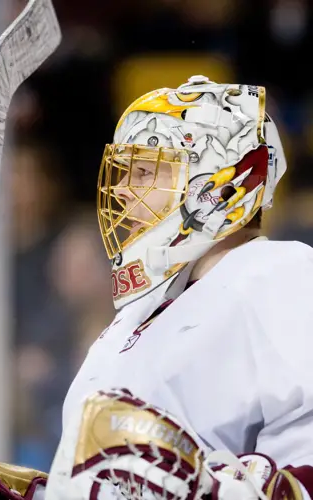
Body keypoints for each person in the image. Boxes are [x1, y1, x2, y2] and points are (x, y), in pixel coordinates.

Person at [44, 76, 313, 499]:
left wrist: (212, 491)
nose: (122, 193)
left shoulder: (284, 276)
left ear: (218, 187)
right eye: (122, 173)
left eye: (146, 172)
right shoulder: (133, 318)